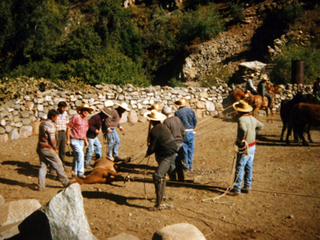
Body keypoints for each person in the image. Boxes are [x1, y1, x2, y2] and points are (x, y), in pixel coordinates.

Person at [145, 110, 177, 210]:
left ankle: (159, 204)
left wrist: (148, 152)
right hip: (170, 152)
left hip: (168, 155)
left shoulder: (155, 131)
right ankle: (162, 197)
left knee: (157, 175)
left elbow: (153, 147)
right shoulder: (162, 127)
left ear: (151, 121)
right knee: (161, 175)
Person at [231, 100, 264, 196]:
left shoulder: (241, 119)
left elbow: (243, 130)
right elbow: (261, 126)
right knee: (249, 166)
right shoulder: (252, 118)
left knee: (240, 167)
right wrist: (254, 134)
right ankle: (247, 186)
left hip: (244, 147)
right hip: (252, 146)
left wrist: (241, 140)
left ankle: (237, 188)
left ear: (240, 111)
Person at [37, 109, 74, 191]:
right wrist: (55, 148)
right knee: (58, 164)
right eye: (56, 117)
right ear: (53, 117)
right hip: (47, 148)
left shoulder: (43, 123)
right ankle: (65, 182)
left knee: (43, 166)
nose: (57, 118)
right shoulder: (50, 126)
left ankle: (41, 185)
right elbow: (52, 140)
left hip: (40, 147)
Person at [66, 104, 93, 179]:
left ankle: (74, 172)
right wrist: (68, 139)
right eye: (84, 110)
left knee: (76, 156)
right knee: (81, 154)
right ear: (81, 110)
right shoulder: (76, 117)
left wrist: (86, 140)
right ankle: (81, 172)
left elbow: (84, 132)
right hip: (74, 139)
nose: (85, 112)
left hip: (81, 140)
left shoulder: (86, 120)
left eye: (87, 110)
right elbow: (68, 127)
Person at [162, 106, 185, 182]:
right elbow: (183, 131)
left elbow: (166, 135)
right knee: (179, 161)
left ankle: (173, 178)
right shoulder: (177, 119)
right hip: (180, 142)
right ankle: (181, 178)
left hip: (172, 143)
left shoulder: (166, 122)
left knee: (171, 162)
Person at [174, 98, 197, 172]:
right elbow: (195, 121)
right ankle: (190, 165)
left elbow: (177, 123)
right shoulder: (191, 111)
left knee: (185, 149)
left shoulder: (177, 113)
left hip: (183, 132)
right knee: (191, 149)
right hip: (190, 131)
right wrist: (192, 127)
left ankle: (186, 165)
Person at [55, 101, 69, 170]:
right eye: (63, 108)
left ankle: (62, 165)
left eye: (65, 108)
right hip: (56, 133)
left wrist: (67, 136)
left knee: (62, 150)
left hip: (63, 132)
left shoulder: (65, 114)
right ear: (59, 107)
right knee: (55, 149)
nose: (64, 109)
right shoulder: (54, 113)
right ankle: (53, 166)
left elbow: (67, 124)